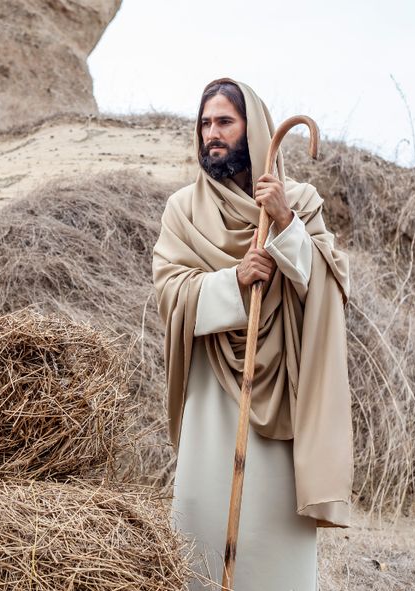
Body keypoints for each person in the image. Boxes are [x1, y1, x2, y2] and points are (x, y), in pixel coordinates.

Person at [152, 78, 354, 591]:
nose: (212, 135)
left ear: (254, 131)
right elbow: (169, 293)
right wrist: (234, 282)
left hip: (279, 404)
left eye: (225, 122)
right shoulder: (183, 209)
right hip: (211, 405)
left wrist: (286, 223)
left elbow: (328, 287)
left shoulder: (301, 201)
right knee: (200, 538)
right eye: (205, 124)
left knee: (273, 553)